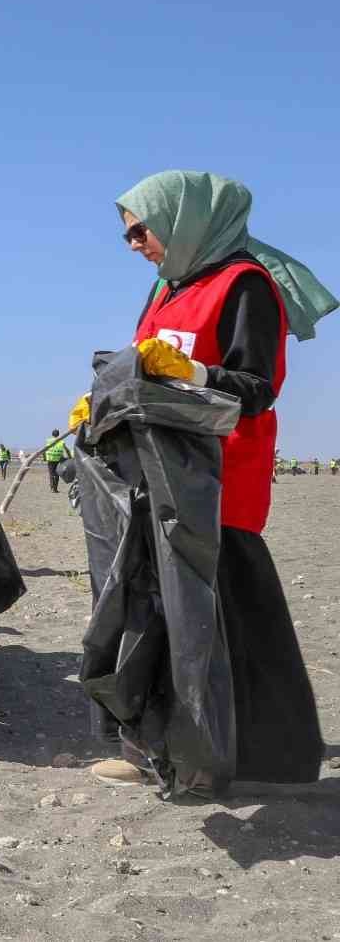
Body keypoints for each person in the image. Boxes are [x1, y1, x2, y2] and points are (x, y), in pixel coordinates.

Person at [73, 170, 330, 789]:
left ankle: (279, 758)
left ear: (187, 220)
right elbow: (143, 374)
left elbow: (257, 387)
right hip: (156, 480)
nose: (135, 243)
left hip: (219, 480)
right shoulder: (165, 290)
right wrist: (103, 402)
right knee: (159, 614)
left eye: (142, 229)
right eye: (127, 235)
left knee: (236, 614)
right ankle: (161, 749)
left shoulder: (245, 285)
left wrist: (194, 371)